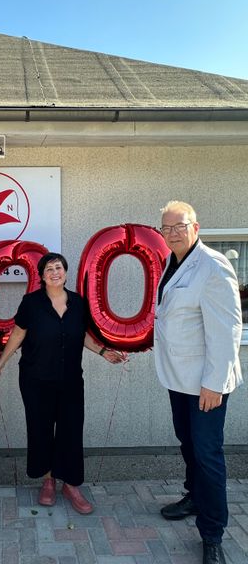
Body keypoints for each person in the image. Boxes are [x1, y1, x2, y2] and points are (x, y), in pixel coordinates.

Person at [0, 252, 125, 513]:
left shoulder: (78, 303)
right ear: (41, 276)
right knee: (41, 429)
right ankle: (48, 480)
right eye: (49, 269)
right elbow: (18, 334)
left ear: (65, 272)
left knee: (71, 430)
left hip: (71, 380)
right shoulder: (31, 303)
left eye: (59, 268)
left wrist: (102, 352)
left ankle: (71, 484)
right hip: (35, 379)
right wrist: (1, 363)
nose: (54, 272)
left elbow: (82, 336)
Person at [155, 201, 243, 564]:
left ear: (196, 226)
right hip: (179, 378)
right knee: (188, 444)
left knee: (208, 456)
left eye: (180, 226)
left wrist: (214, 384)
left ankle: (212, 534)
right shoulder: (170, 263)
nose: (173, 233)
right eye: (167, 228)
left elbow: (227, 330)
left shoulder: (212, 266)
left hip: (205, 385)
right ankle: (194, 496)